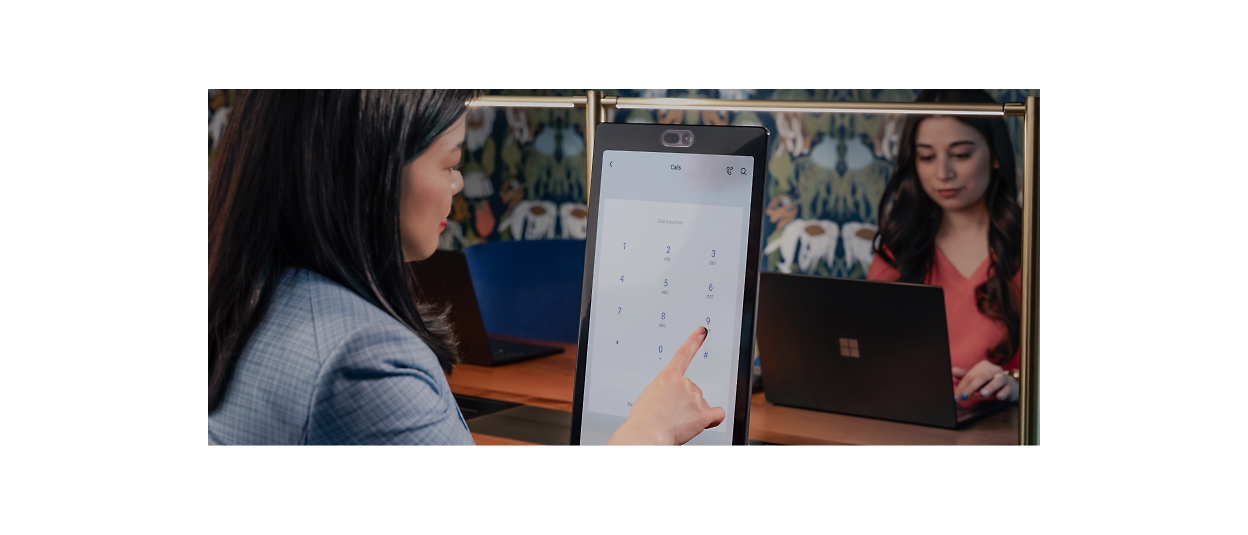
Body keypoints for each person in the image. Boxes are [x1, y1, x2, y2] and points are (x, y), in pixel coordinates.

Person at [208, 90, 724, 445]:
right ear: (374, 171)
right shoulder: (363, 360)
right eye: (451, 164)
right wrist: (647, 434)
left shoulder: (250, 295)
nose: (457, 185)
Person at [867, 89, 1022, 405]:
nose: (943, 174)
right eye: (926, 156)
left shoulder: (1034, 248)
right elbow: (868, 355)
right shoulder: (898, 251)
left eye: (961, 155)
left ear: (994, 155)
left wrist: (1020, 386)